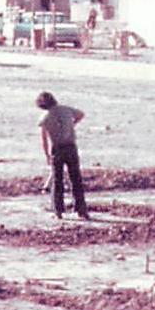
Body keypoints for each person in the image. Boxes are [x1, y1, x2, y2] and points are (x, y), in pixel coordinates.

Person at [36, 91, 89, 220]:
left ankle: (58, 211)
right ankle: (81, 210)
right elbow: (81, 114)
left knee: (57, 180)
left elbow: (44, 139)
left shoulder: (45, 117)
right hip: (71, 146)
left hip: (57, 148)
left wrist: (47, 155)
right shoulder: (66, 110)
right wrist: (72, 125)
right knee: (76, 178)